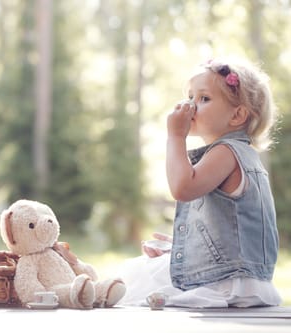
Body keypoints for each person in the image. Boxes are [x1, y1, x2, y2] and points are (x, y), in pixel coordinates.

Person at [118, 57, 282, 308]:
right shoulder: (242, 154)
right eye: (190, 96)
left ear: (238, 115)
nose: (190, 106)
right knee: (146, 269)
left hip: (225, 281)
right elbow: (232, 234)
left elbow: (183, 187)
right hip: (239, 276)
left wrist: (175, 136)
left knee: (133, 278)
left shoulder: (227, 151)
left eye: (203, 99)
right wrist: (183, 248)